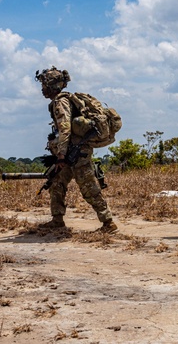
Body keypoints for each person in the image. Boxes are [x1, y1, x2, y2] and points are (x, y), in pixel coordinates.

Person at [35, 66, 118, 233]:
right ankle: (57, 219)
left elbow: (65, 129)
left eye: (44, 85)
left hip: (75, 154)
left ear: (52, 85)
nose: (42, 89)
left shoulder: (61, 102)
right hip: (71, 152)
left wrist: (61, 155)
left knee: (89, 188)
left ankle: (108, 223)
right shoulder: (64, 100)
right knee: (57, 183)